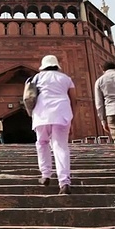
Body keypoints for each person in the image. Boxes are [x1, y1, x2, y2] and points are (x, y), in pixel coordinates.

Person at [30, 55, 76, 195]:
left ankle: (45, 175)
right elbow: (74, 99)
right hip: (62, 113)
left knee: (42, 143)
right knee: (61, 147)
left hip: (41, 113)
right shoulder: (66, 78)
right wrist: (71, 118)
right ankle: (64, 182)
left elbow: (29, 95)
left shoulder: (37, 78)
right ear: (57, 65)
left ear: (43, 66)